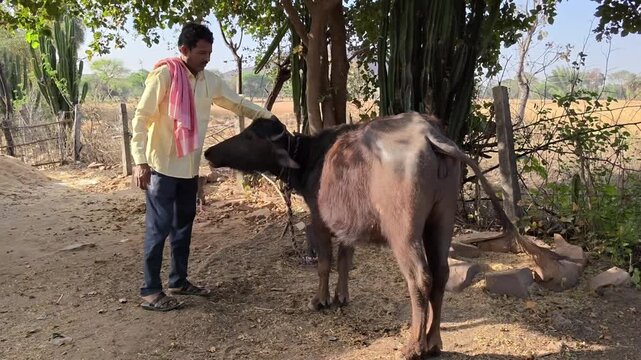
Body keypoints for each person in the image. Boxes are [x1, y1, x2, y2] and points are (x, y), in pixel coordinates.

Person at [130, 22, 274, 311]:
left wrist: (269, 117)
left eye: (209, 52)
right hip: (161, 167)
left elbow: (237, 103)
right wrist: (139, 161)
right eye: (201, 53)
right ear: (184, 50)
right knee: (158, 230)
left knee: (183, 226)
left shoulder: (210, 81)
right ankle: (150, 291)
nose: (206, 58)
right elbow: (141, 118)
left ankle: (178, 281)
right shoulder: (165, 76)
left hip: (189, 169)